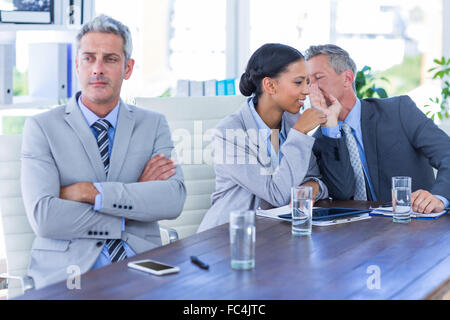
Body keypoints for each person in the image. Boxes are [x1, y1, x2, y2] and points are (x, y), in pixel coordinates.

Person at [21, 15, 186, 289]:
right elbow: (45, 218)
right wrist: (131, 203)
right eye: (88, 58)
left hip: (143, 264)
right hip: (69, 273)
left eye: (110, 59)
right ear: (77, 65)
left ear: (127, 67)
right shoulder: (42, 127)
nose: (97, 69)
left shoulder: (153, 124)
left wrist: (89, 192)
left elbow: (172, 200)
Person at [198, 43, 329, 232]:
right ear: (270, 85)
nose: (307, 90)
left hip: (277, 235)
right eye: (298, 82)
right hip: (229, 238)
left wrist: (313, 186)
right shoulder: (228, 134)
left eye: (307, 82)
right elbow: (277, 195)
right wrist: (299, 133)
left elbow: (315, 179)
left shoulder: (292, 122)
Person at [306, 44, 450, 213]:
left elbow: (447, 153)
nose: (311, 88)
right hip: (359, 232)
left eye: (318, 77)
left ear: (347, 78)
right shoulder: (322, 139)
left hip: (415, 224)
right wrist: (330, 127)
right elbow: (343, 192)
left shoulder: (399, 110)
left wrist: (439, 197)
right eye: (308, 81)